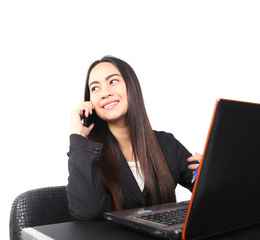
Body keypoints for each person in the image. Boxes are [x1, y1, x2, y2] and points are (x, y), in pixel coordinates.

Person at [67, 56, 202, 221]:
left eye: (113, 81)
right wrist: (78, 137)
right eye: (95, 88)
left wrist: (212, 174)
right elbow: (88, 212)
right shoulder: (88, 153)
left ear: (132, 86)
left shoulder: (167, 144)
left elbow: (210, 194)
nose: (104, 93)